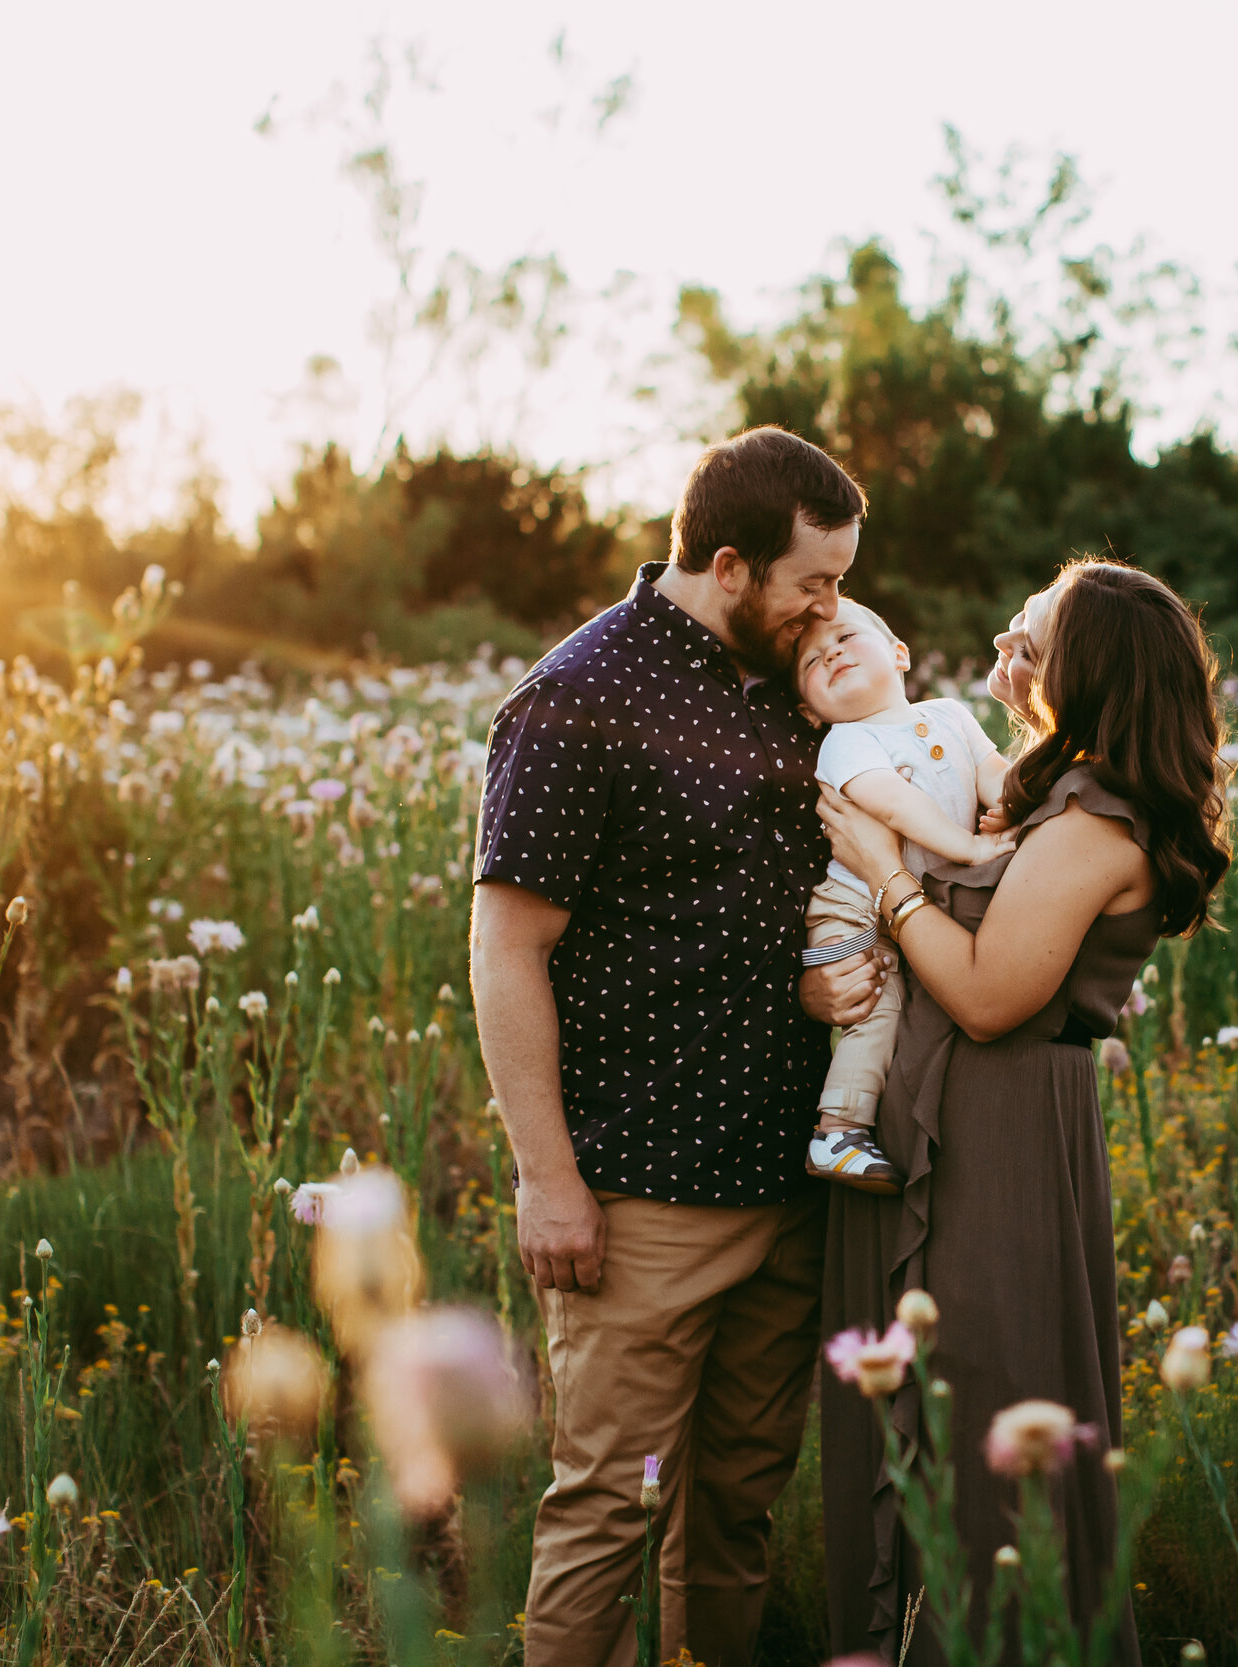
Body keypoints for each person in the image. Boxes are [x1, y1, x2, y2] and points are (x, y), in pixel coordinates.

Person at [469, 425, 881, 1667]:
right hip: (644, 1198)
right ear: (727, 561)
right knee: (614, 1505)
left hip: (786, 1180)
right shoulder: (577, 698)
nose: (833, 604)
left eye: (843, 580)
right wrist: (549, 1179)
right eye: (814, 580)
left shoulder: (799, 680)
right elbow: (507, 951)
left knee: (736, 1511)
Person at [810, 558, 1234, 1664]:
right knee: (930, 1407)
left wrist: (884, 875)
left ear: (1085, 672)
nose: (1005, 638)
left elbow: (993, 994)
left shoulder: (1095, 823)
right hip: (935, 1114)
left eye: (1030, 634)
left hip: (997, 1139)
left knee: (986, 1403)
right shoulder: (1043, 788)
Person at [792, 600, 1015, 1193]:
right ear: (810, 710)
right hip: (851, 910)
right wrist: (967, 847)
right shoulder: (845, 742)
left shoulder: (949, 713)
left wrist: (1011, 808)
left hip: (912, 905)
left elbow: (993, 772)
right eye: (812, 660)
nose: (831, 652)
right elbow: (895, 803)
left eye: (845, 637)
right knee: (875, 1008)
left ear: (899, 654)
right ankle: (837, 1130)